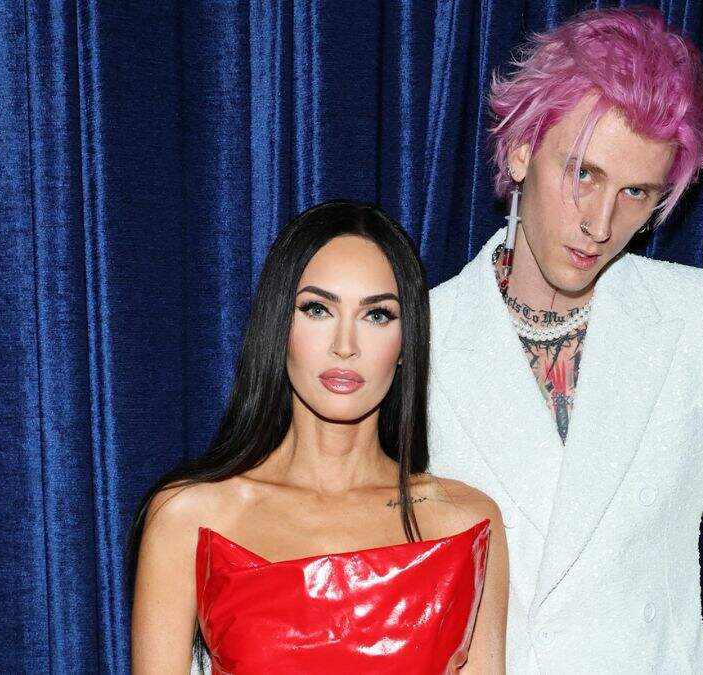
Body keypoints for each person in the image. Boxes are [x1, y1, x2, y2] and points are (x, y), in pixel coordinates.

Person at [427, 7, 703, 673]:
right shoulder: (424, 336)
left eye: (636, 192)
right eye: (583, 173)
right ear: (521, 151)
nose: (602, 223)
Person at [129, 201, 509, 674]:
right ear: (278, 326)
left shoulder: (465, 523)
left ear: (406, 342)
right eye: (317, 309)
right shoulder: (189, 516)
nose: (344, 346)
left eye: (377, 315)